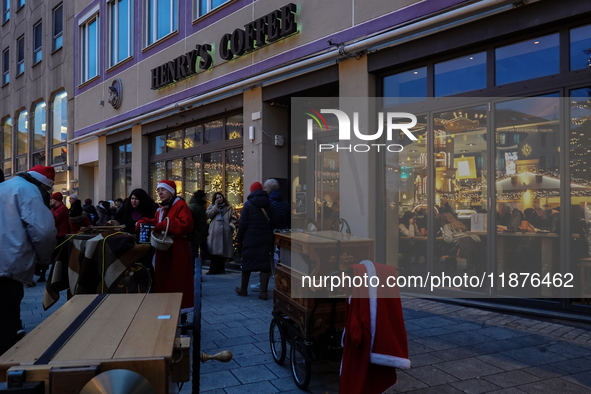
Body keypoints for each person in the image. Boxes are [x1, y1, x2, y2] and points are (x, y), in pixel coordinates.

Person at [0, 165, 57, 355]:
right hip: (9, 265)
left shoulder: (6, 186)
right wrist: (44, 258)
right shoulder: (30, 191)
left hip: (5, 261)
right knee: (7, 320)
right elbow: (44, 232)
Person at [136, 180, 194, 311]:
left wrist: (162, 225)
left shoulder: (180, 205)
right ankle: (163, 307)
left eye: (163, 190)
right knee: (163, 278)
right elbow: (158, 222)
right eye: (158, 190)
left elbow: (186, 225)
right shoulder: (161, 209)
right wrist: (145, 222)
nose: (160, 193)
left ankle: (179, 311)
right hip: (162, 250)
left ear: (171, 191)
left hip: (176, 249)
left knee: (177, 279)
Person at [235, 182, 274, 300]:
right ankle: (263, 292)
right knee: (264, 265)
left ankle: (243, 289)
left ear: (252, 191)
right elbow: (273, 222)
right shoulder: (268, 204)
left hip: (249, 237)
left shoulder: (247, 205)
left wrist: (239, 239)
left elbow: (242, 224)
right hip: (264, 238)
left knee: (247, 263)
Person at [206, 192, 237, 275]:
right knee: (214, 252)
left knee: (223, 252)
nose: (219, 199)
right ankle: (213, 269)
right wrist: (215, 207)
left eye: (220, 197)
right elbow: (208, 215)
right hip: (215, 232)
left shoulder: (229, 207)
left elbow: (233, 218)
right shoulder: (212, 206)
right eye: (217, 198)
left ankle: (221, 269)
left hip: (225, 231)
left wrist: (231, 226)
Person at [43, 192, 70, 283]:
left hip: (61, 235)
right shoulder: (54, 208)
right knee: (54, 255)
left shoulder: (62, 209)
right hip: (56, 234)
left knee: (57, 255)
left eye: (52, 199)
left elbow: (54, 220)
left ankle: (56, 275)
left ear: (56, 200)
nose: (51, 200)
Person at [188, 190, 209, 266]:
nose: (206, 198)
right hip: (197, 235)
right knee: (195, 255)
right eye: (204, 197)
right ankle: (194, 274)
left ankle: (195, 273)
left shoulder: (198, 206)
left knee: (196, 255)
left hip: (199, 234)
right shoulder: (196, 207)